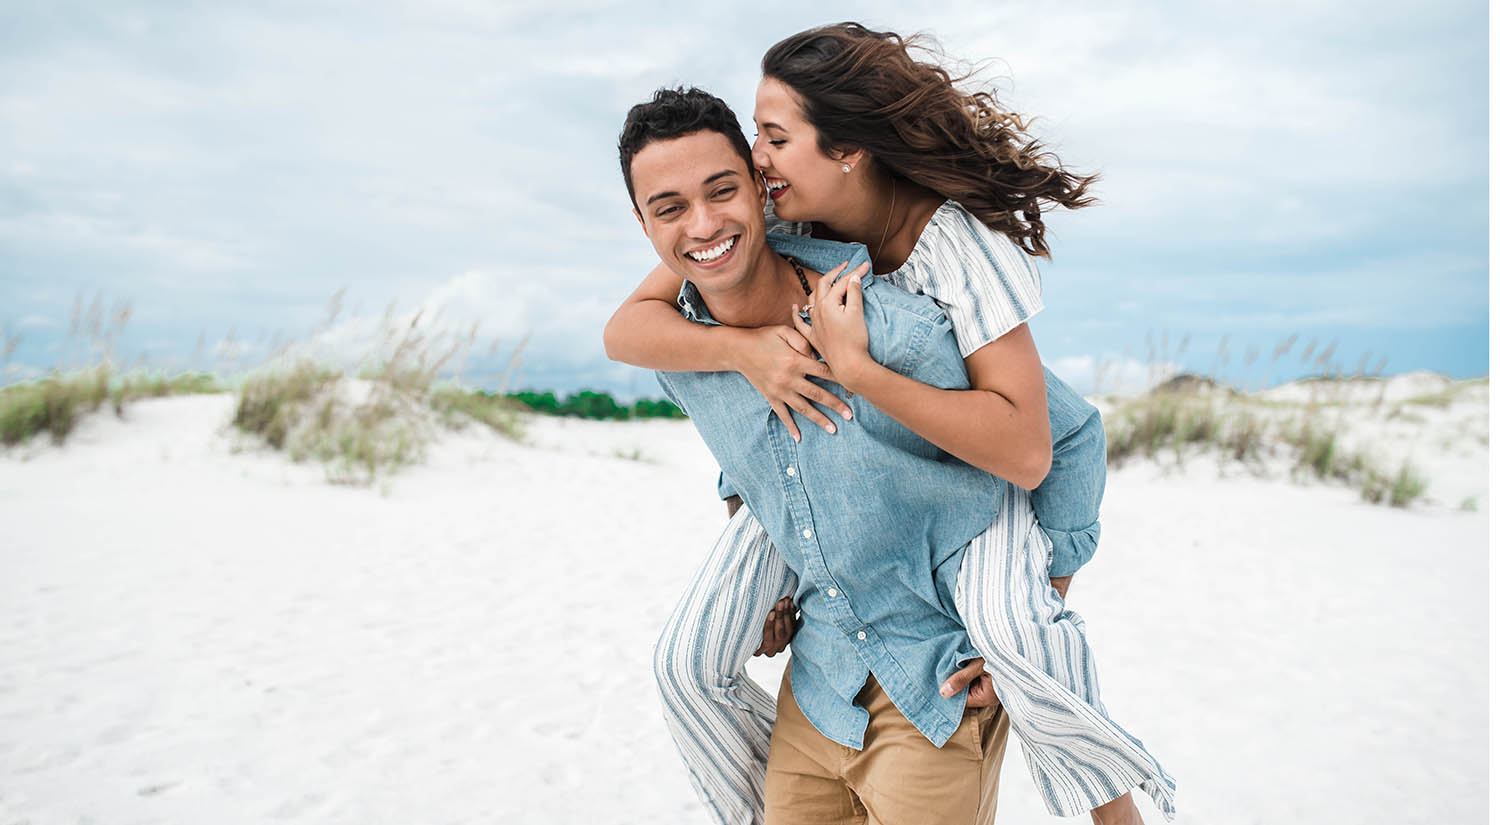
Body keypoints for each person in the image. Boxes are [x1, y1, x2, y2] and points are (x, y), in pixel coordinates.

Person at [613, 82, 1174, 825]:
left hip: (932, 677)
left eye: (723, 189)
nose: (704, 223)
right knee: (682, 666)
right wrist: (775, 576)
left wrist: (1046, 598)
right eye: (670, 207)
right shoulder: (680, 351)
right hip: (818, 686)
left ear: (761, 185)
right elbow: (744, 452)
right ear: (642, 221)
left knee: (1024, 640)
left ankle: (1115, 805)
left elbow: (1064, 435)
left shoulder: (887, 314)